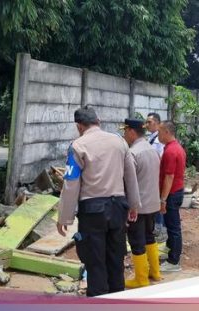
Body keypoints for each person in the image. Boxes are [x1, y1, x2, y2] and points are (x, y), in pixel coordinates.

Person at [57, 107, 141, 297]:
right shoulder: (119, 142)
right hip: (119, 208)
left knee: (95, 261)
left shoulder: (78, 146)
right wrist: (134, 205)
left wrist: (64, 217)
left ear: (79, 126)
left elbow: (71, 184)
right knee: (116, 257)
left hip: (93, 211)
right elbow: (130, 176)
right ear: (99, 121)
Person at [121, 118, 161, 288]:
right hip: (153, 203)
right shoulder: (152, 149)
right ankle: (155, 273)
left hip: (139, 205)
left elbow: (130, 182)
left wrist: (131, 206)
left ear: (131, 131)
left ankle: (141, 279)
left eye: (125, 131)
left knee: (136, 241)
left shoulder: (133, 153)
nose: (124, 134)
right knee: (149, 237)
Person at [157, 121, 187, 272]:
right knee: (171, 226)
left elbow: (169, 177)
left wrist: (163, 199)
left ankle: (174, 261)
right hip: (176, 191)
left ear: (167, 132)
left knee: (173, 227)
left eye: (160, 131)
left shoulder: (170, 151)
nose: (158, 134)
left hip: (172, 193)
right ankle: (171, 252)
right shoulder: (176, 148)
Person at [145, 113, 167, 243]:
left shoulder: (159, 140)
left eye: (150, 122)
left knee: (159, 202)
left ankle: (160, 228)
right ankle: (157, 227)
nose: (147, 125)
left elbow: (160, 158)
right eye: (146, 122)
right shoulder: (152, 138)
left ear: (157, 123)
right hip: (152, 176)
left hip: (157, 175)